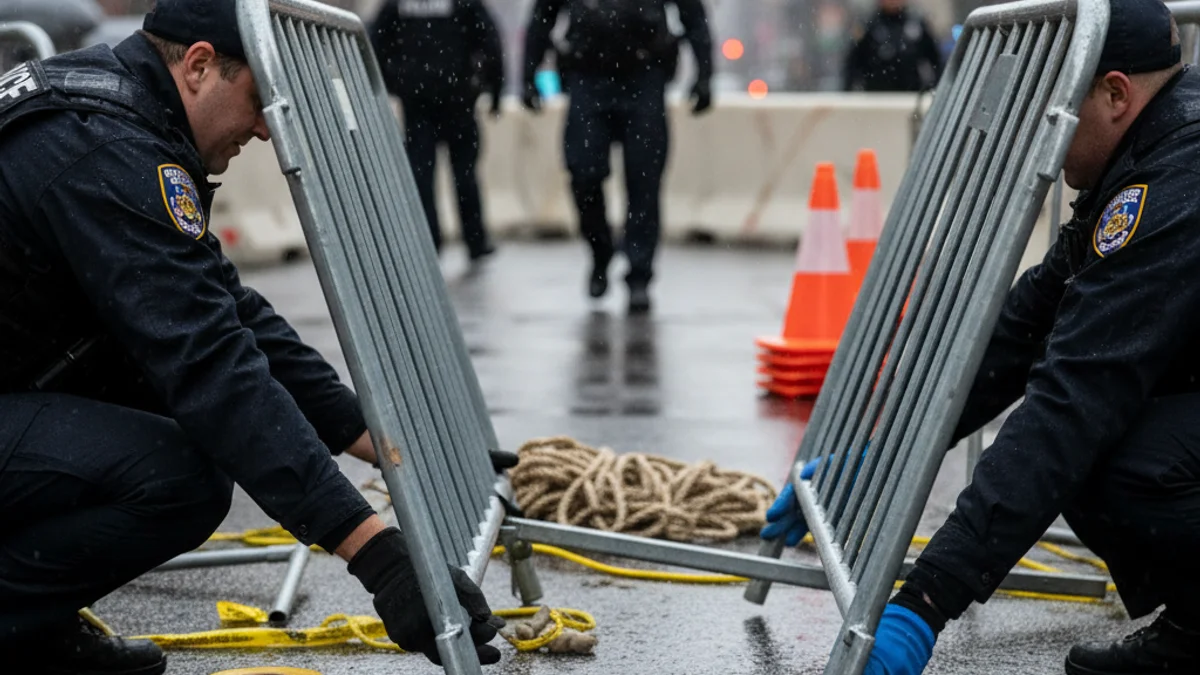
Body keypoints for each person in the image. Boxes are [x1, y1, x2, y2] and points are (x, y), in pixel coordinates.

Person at [0, 1, 507, 673]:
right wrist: (376, 555)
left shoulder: (113, 111)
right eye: (259, 98)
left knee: (160, 399)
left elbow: (224, 308)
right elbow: (211, 365)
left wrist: (373, 435)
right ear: (200, 65)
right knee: (181, 475)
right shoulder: (104, 147)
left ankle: (28, 619)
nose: (267, 129)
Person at [764, 1, 1200, 673]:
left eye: (1056, 109)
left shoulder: (1179, 180)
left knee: (1113, 457)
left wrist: (926, 600)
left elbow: (1075, 396)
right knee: (1094, 442)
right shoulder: (1155, 145)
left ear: (1115, 93)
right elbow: (1026, 326)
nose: (1039, 139)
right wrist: (882, 459)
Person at [521, 0, 714, 314]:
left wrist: (706, 73)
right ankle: (600, 250)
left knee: (644, 180)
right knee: (584, 173)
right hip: (588, 76)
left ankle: (639, 275)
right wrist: (528, 74)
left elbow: (692, 13)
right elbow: (543, 15)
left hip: (644, 75)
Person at [369, 0, 504, 262]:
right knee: (464, 174)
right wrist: (494, 88)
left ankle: (429, 242)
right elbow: (489, 40)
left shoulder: (399, 4)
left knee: (423, 176)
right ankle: (474, 239)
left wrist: (394, 81)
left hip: (420, 102)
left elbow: (375, 45)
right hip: (457, 98)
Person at [844, 0, 942, 93]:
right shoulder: (869, 25)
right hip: (875, 96)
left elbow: (935, 59)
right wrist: (849, 90)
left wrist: (936, 87)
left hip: (911, 94)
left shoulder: (916, 24)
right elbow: (853, 62)